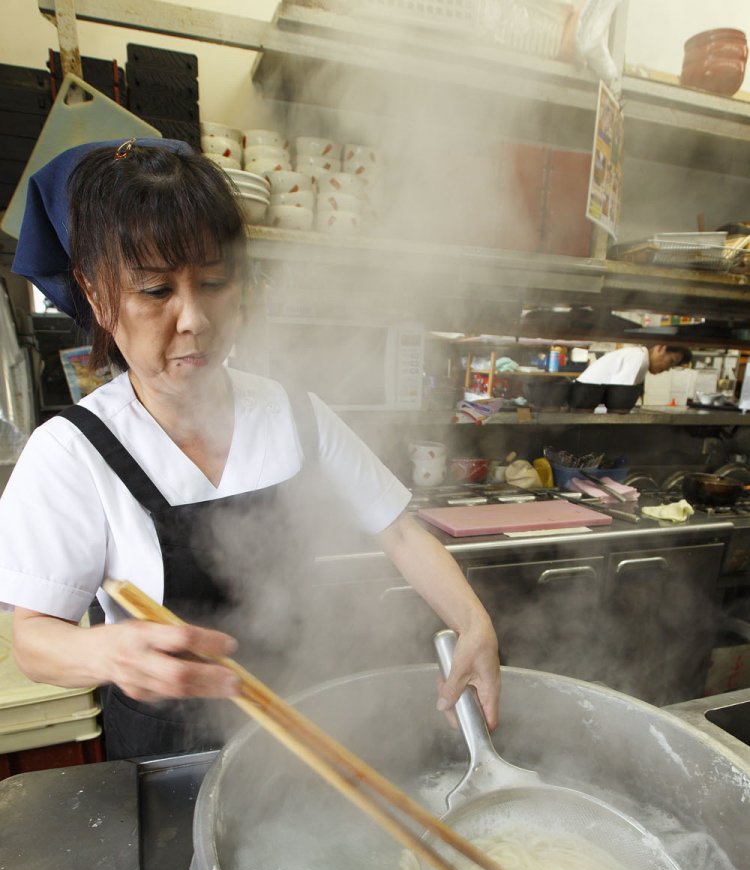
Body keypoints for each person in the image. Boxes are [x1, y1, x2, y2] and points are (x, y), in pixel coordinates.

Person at [0, 137, 500, 760]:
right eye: (156, 291)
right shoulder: (72, 453)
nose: (195, 319)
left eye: (213, 282)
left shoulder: (294, 414)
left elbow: (398, 531)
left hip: (308, 736)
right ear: (98, 297)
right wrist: (107, 651)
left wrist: (475, 622)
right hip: (170, 761)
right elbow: (35, 640)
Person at [575, 342, 692, 386]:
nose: (667, 369)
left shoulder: (639, 356)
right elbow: (619, 405)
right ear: (661, 348)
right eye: (670, 361)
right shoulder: (639, 359)